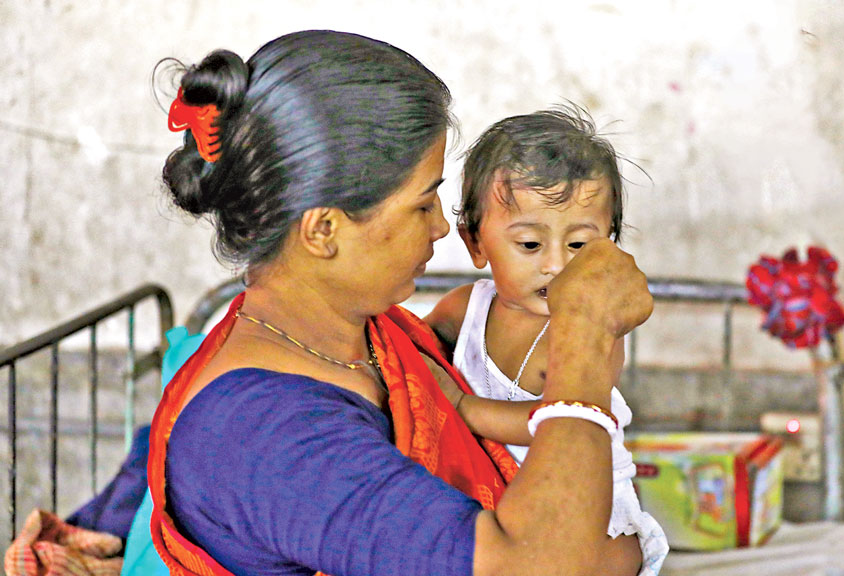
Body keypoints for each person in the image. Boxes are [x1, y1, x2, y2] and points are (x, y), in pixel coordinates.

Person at [149, 29, 653, 576]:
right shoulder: (270, 436)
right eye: (422, 203)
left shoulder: (370, 334)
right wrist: (584, 331)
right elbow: (533, 567)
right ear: (324, 231)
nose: (441, 226)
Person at [424, 107, 668, 576]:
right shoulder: (465, 309)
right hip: (493, 500)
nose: (556, 265)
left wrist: (463, 408)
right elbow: (413, 351)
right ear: (476, 244)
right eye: (530, 246)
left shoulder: (589, 329)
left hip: (587, 508)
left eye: (579, 245)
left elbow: (558, 418)